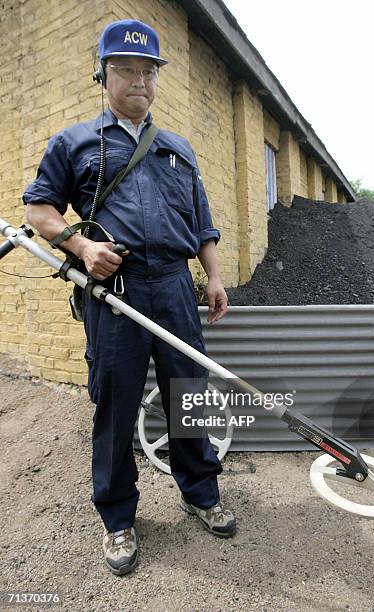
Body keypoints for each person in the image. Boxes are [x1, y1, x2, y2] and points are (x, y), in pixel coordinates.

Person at [22, 19, 236, 576]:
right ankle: (118, 517)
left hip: (173, 286)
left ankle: (201, 492)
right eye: (126, 71)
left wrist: (212, 276)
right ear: (103, 76)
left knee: (189, 393)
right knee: (116, 403)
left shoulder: (178, 149)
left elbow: (203, 223)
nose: (139, 81)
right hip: (114, 290)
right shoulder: (74, 143)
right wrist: (81, 246)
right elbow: (39, 210)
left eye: (148, 72)